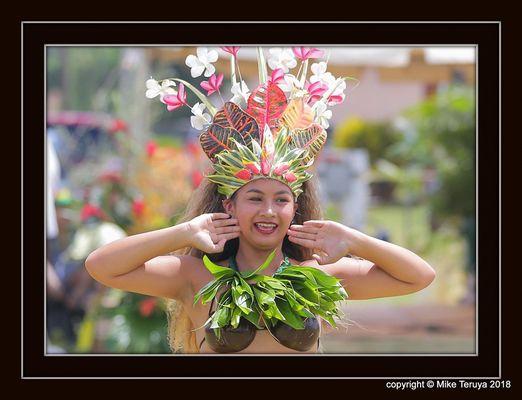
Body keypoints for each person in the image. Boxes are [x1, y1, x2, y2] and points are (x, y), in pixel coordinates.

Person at [85, 46, 435, 354]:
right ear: (228, 206)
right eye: (254, 197)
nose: (269, 211)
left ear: (294, 208)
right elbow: (101, 266)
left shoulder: (316, 275)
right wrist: (183, 233)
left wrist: (353, 239)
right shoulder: (195, 278)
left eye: (281, 199)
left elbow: (419, 276)